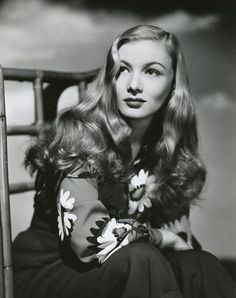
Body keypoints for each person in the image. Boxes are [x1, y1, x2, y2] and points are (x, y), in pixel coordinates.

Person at [13, 25, 236, 298]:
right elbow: (90, 242)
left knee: (200, 265)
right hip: (48, 273)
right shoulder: (81, 137)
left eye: (152, 71)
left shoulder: (166, 148)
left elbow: (183, 242)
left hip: (127, 269)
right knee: (142, 259)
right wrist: (161, 237)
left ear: (172, 85)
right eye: (123, 70)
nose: (134, 85)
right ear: (110, 79)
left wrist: (174, 242)